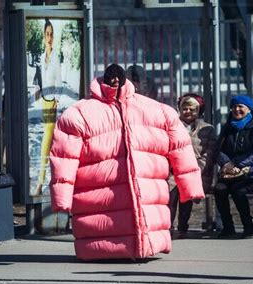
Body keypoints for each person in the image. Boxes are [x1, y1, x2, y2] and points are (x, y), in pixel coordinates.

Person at [49, 64, 204, 261]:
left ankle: (141, 248)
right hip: (101, 193)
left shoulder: (158, 111)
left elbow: (181, 149)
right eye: (111, 79)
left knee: (137, 218)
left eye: (118, 78)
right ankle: (111, 251)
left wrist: (190, 187)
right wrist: (61, 198)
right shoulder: (78, 114)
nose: (114, 82)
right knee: (109, 224)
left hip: (143, 189)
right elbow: (64, 158)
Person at [214, 95, 253, 239]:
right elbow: (218, 148)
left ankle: (249, 228)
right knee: (219, 189)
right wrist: (226, 163)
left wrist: (237, 163)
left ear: (249, 110)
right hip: (230, 171)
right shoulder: (228, 127)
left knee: (239, 191)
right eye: (234, 107)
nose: (237, 110)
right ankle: (228, 227)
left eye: (241, 107)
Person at [168, 93, 217, 238]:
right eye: (184, 108)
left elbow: (210, 154)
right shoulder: (171, 126)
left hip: (197, 172)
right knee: (170, 193)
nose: (187, 112)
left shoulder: (207, 129)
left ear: (199, 110)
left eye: (192, 109)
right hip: (173, 171)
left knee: (187, 192)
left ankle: (183, 226)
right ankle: (167, 227)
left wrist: (194, 169)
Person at [36, 19, 63, 195]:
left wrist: (57, 100)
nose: (49, 37)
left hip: (52, 101)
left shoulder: (55, 56)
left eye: (51, 33)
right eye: (47, 34)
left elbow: (59, 80)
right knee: (49, 141)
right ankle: (53, 178)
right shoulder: (41, 56)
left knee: (46, 140)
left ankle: (40, 181)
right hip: (43, 100)